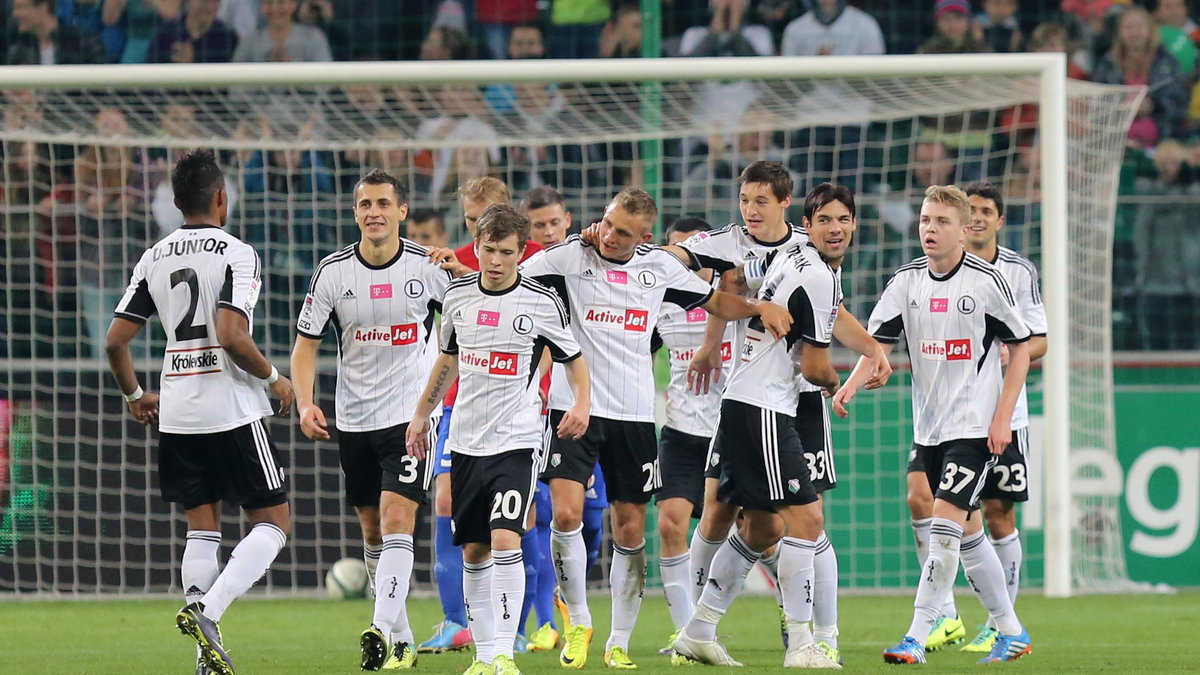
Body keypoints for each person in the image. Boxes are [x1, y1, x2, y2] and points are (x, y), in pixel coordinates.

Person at [520, 187, 794, 669]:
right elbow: (507, 279)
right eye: (606, 223)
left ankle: (619, 642)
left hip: (633, 416)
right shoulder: (570, 255)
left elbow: (716, 302)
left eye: (622, 231)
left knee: (630, 528)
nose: (608, 235)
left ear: (644, 237)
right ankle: (579, 621)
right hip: (575, 408)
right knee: (565, 515)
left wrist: (758, 308)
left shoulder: (659, 269)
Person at [105, 149, 294, 675]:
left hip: (178, 413)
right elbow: (233, 336)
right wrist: (276, 379)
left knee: (202, 531)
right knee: (274, 523)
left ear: (175, 201)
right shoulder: (238, 253)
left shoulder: (154, 256)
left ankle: (204, 660)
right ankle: (207, 614)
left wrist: (135, 396)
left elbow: (116, 342)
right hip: (231, 408)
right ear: (220, 197)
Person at [834, 184, 1033, 666]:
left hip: (974, 427)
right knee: (965, 535)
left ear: (964, 231)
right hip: (929, 429)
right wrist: (850, 384)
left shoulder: (987, 282)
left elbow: (1022, 348)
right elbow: (875, 342)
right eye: (925, 220)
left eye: (941, 222)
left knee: (944, 531)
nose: (929, 229)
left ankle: (916, 636)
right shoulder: (905, 282)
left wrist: (1003, 418)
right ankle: (1011, 630)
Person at [672, 183, 854, 670]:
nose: (835, 229)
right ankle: (801, 644)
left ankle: (698, 630)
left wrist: (874, 350)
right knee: (808, 521)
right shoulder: (819, 276)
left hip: (745, 403)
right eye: (826, 221)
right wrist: (841, 383)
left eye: (843, 220)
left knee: (765, 527)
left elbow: (738, 276)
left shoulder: (791, 258)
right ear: (808, 226)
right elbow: (815, 368)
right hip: (764, 407)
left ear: (854, 225)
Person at [405, 203, 592, 675]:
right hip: (466, 439)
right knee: (474, 549)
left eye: (506, 252)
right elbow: (446, 360)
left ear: (519, 252)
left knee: (506, 538)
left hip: (518, 440)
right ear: (479, 246)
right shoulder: (458, 298)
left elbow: (573, 357)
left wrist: (581, 403)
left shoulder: (540, 302)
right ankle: (485, 655)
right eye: (488, 250)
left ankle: (505, 653)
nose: (494, 260)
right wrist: (422, 415)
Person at [290, 169, 451, 671]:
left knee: (397, 518)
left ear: (402, 211)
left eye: (384, 203)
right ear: (355, 212)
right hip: (353, 419)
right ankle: (401, 639)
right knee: (372, 530)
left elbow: (458, 338)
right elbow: (305, 347)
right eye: (365, 205)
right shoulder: (332, 272)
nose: (374, 212)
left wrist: (431, 407)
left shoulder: (429, 268)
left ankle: (379, 629)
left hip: (410, 420)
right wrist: (305, 402)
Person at [906, 181, 1046, 654]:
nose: (981, 218)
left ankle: (987, 623)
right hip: (938, 418)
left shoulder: (1013, 273)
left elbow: (1033, 339)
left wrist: (1005, 358)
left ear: (989, 222)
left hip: (996, 415)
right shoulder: (916, 277)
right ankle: (954, 616)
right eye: (976, 209)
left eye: (988, 211)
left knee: (993, 513)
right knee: (927, 501)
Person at [417, 177, 544, 655]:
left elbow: (555, 344)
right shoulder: (459, 275)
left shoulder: (533, 271)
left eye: (486, 219)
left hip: (519, 417)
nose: (480, 235)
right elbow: (448, 348)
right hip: (459, 411)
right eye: (471, 222)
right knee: (449, 506)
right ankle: (460, 621)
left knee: (519, 521)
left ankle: (520, 624)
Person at [649, 217, 737, 654]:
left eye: (691, 251)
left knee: (764, 532)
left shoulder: (732, 297)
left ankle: (789, 611)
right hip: (681, 430)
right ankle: (686, 633)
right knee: (670, 523)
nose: (683, 260)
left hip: (732, 431)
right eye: (675, 252)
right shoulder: (658, 301)